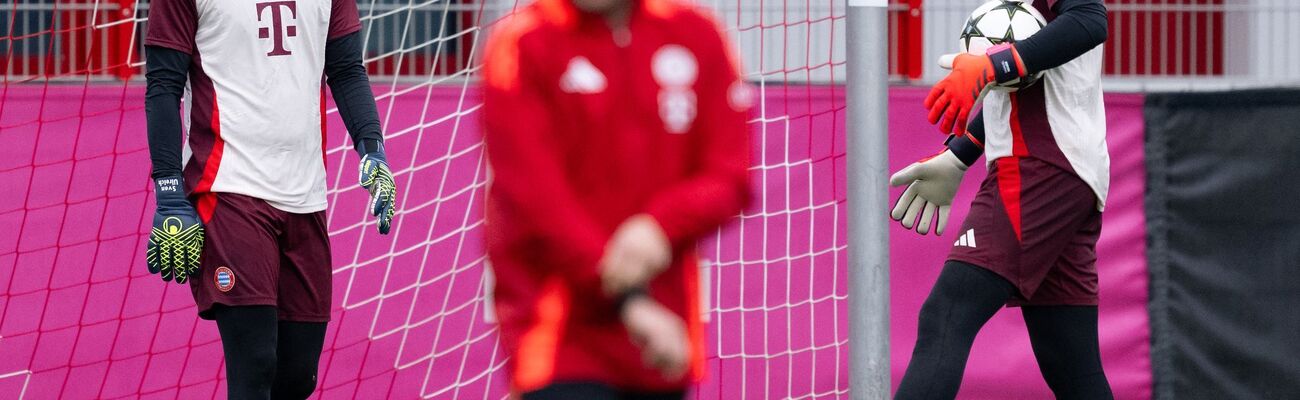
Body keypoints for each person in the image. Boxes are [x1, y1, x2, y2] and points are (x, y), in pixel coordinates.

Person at [480, 0, 752, 398]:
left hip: (661, 342)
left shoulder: (697, 34)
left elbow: (730, 176)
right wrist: (629, 302)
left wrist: (660, 226)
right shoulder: (522, 44)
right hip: (561, 340)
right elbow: (536, 199)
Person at [142, 0, 397, 397]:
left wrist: (372, 148)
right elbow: (163, 84)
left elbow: (346, 69)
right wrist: (170, 192)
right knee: (256, 364)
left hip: (305, 192)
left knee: (298, 376)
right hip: (227, 188)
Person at [889, 0, 1114, 398]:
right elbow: (1029, 78)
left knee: (946, 315)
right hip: (1069, 172)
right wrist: (961, 153)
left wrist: (994, 65)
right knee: (1071, 364)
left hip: (1040, 167)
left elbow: (1089, 20)